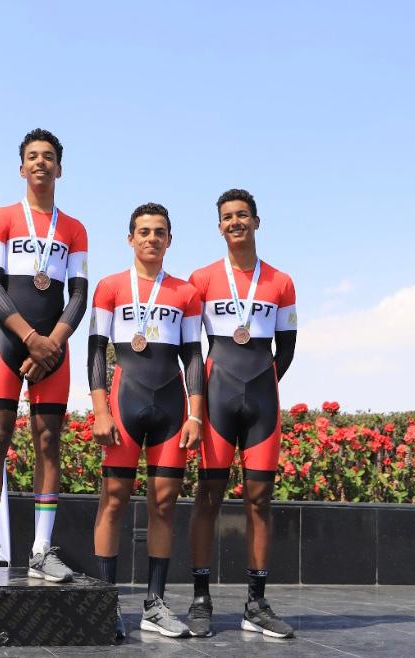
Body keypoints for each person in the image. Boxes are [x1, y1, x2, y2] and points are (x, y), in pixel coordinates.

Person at [0, 129, 88, 583]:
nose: (41, 162)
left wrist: (50, 343)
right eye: (33, 156)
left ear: (60, 169)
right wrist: (30, 338)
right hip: (9, 339)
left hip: (54, 344)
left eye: (48, 157)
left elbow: (79, 295)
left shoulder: (74, 228)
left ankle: (40, 551)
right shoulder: (1, 218)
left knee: (48, 441)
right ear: (22, 168)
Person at [89, 203, 204, 640]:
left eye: (159, 232)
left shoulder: (185, 293)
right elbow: (95, 350)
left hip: (172, 408)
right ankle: (105, 603)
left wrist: (195, 414)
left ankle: (155, 605)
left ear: (169, 240)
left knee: (164, 503)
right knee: (113, 500)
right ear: (130, 238)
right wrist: (101, 410)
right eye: (144, 231)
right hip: (124, 403)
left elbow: (193, 356)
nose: (151, 238)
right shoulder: (110, 287)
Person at [186, 188, 297, 638]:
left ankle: (256, 603)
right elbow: (191, 349)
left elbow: (286, 350)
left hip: (262, 402)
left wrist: (261, 385)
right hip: (217, 398)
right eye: (228, 216)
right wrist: (202, 400)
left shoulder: (281, 282)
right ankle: (200, 599)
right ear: (219, 227)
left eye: (243, 215)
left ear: (256, 221)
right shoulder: (201, 278)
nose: (236, 222)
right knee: (207, 497)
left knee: (260, 500)